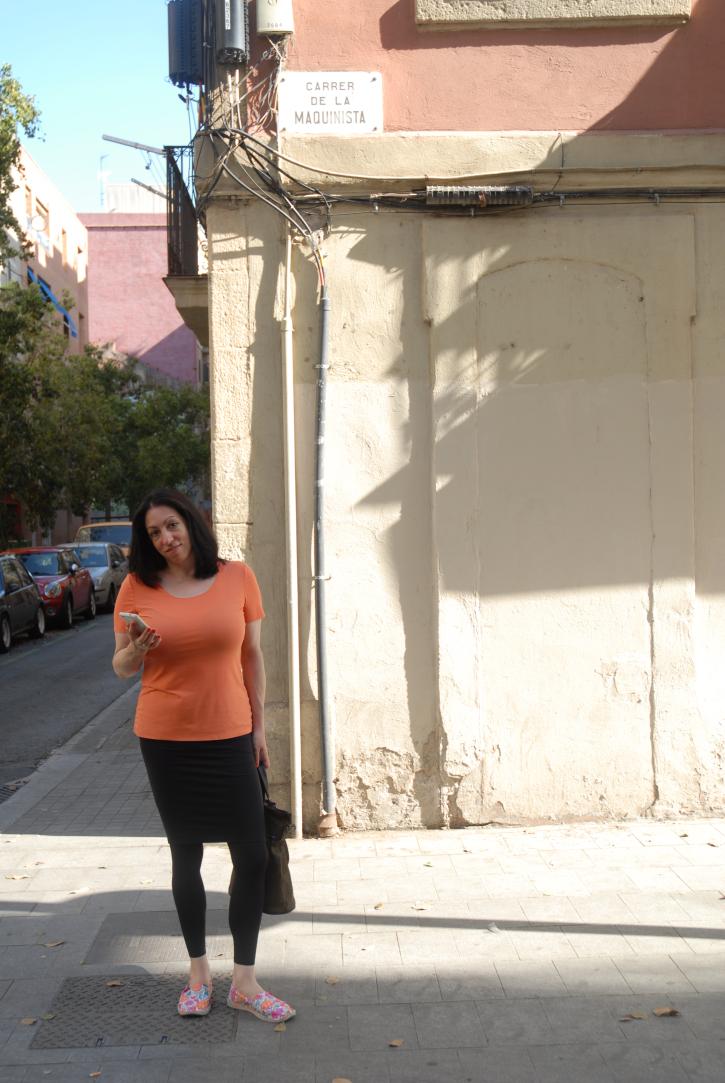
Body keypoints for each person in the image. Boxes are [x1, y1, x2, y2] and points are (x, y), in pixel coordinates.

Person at [112, 488, 295, 1023]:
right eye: (153, 532)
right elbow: (120, 667)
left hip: (231, 733)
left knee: (252, 855)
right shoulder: (136, 586)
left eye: (171, 525)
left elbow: (252, 656)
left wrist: (259, 728)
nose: (165, 538)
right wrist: (136, 648)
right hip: (166, 739)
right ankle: (198, 975)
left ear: (191, 522)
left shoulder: (238, 577)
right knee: (185, 854)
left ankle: (244, 982)